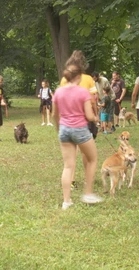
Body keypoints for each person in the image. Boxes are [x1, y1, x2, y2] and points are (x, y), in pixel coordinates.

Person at [52, 63, 103, 210]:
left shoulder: (59, 91)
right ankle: (88, 193)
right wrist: (95, 118)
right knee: (92, 159)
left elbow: (55, 114)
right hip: (80, 129)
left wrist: (58, 127)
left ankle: (66, 201)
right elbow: (88, 115)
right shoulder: (83, 92)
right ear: (79, 76)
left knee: (68, 166)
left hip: (64, 130)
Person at [59, 50, 99, 189]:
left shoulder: (64, 80)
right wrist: (95, 116)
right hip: (84, 119)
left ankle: (71, 182)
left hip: (67, 120)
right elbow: (93, 100)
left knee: (70, 156)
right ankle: (88, 179)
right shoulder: (88, 79)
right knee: (87, 152)